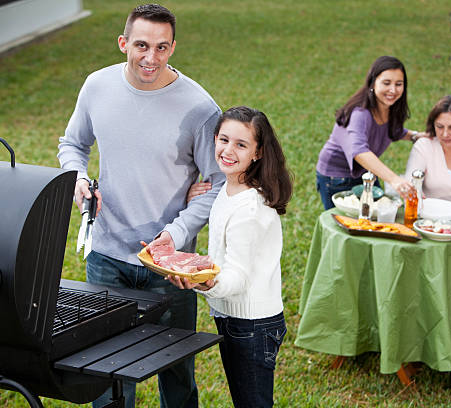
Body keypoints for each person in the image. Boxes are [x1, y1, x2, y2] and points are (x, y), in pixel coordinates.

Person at [57, 4, 224, 408]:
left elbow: (219, 182)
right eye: (142, 45)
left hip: (168, 268)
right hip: (106, 255)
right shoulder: (96, 86)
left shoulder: (200, 107)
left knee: (177, 373)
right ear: (123, 43)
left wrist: (175, 234)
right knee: (105, 373)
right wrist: (77, 175)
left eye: (162, 47)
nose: (152, 58)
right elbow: (72, 144)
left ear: (172, 47)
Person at [166, 106, 292, 408]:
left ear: (258, 152)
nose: (228, 150)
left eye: (241, 144)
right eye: (223, 140)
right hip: (236, 319)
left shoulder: (249, 209)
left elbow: (237, 276)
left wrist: (204, 283)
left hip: (251, 325)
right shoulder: (230, 187)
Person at [315, 55, 425, 210]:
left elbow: (391, 130)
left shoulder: (389, 108)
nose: (393, 90)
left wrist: (414, 136)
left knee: (375, 218)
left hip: (364, 172)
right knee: (350, 224)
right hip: (336, 177)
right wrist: (394, 180)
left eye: (399, 84)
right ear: (373, 83)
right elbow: (359, 151)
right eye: (386, 83)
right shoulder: (360, 113)